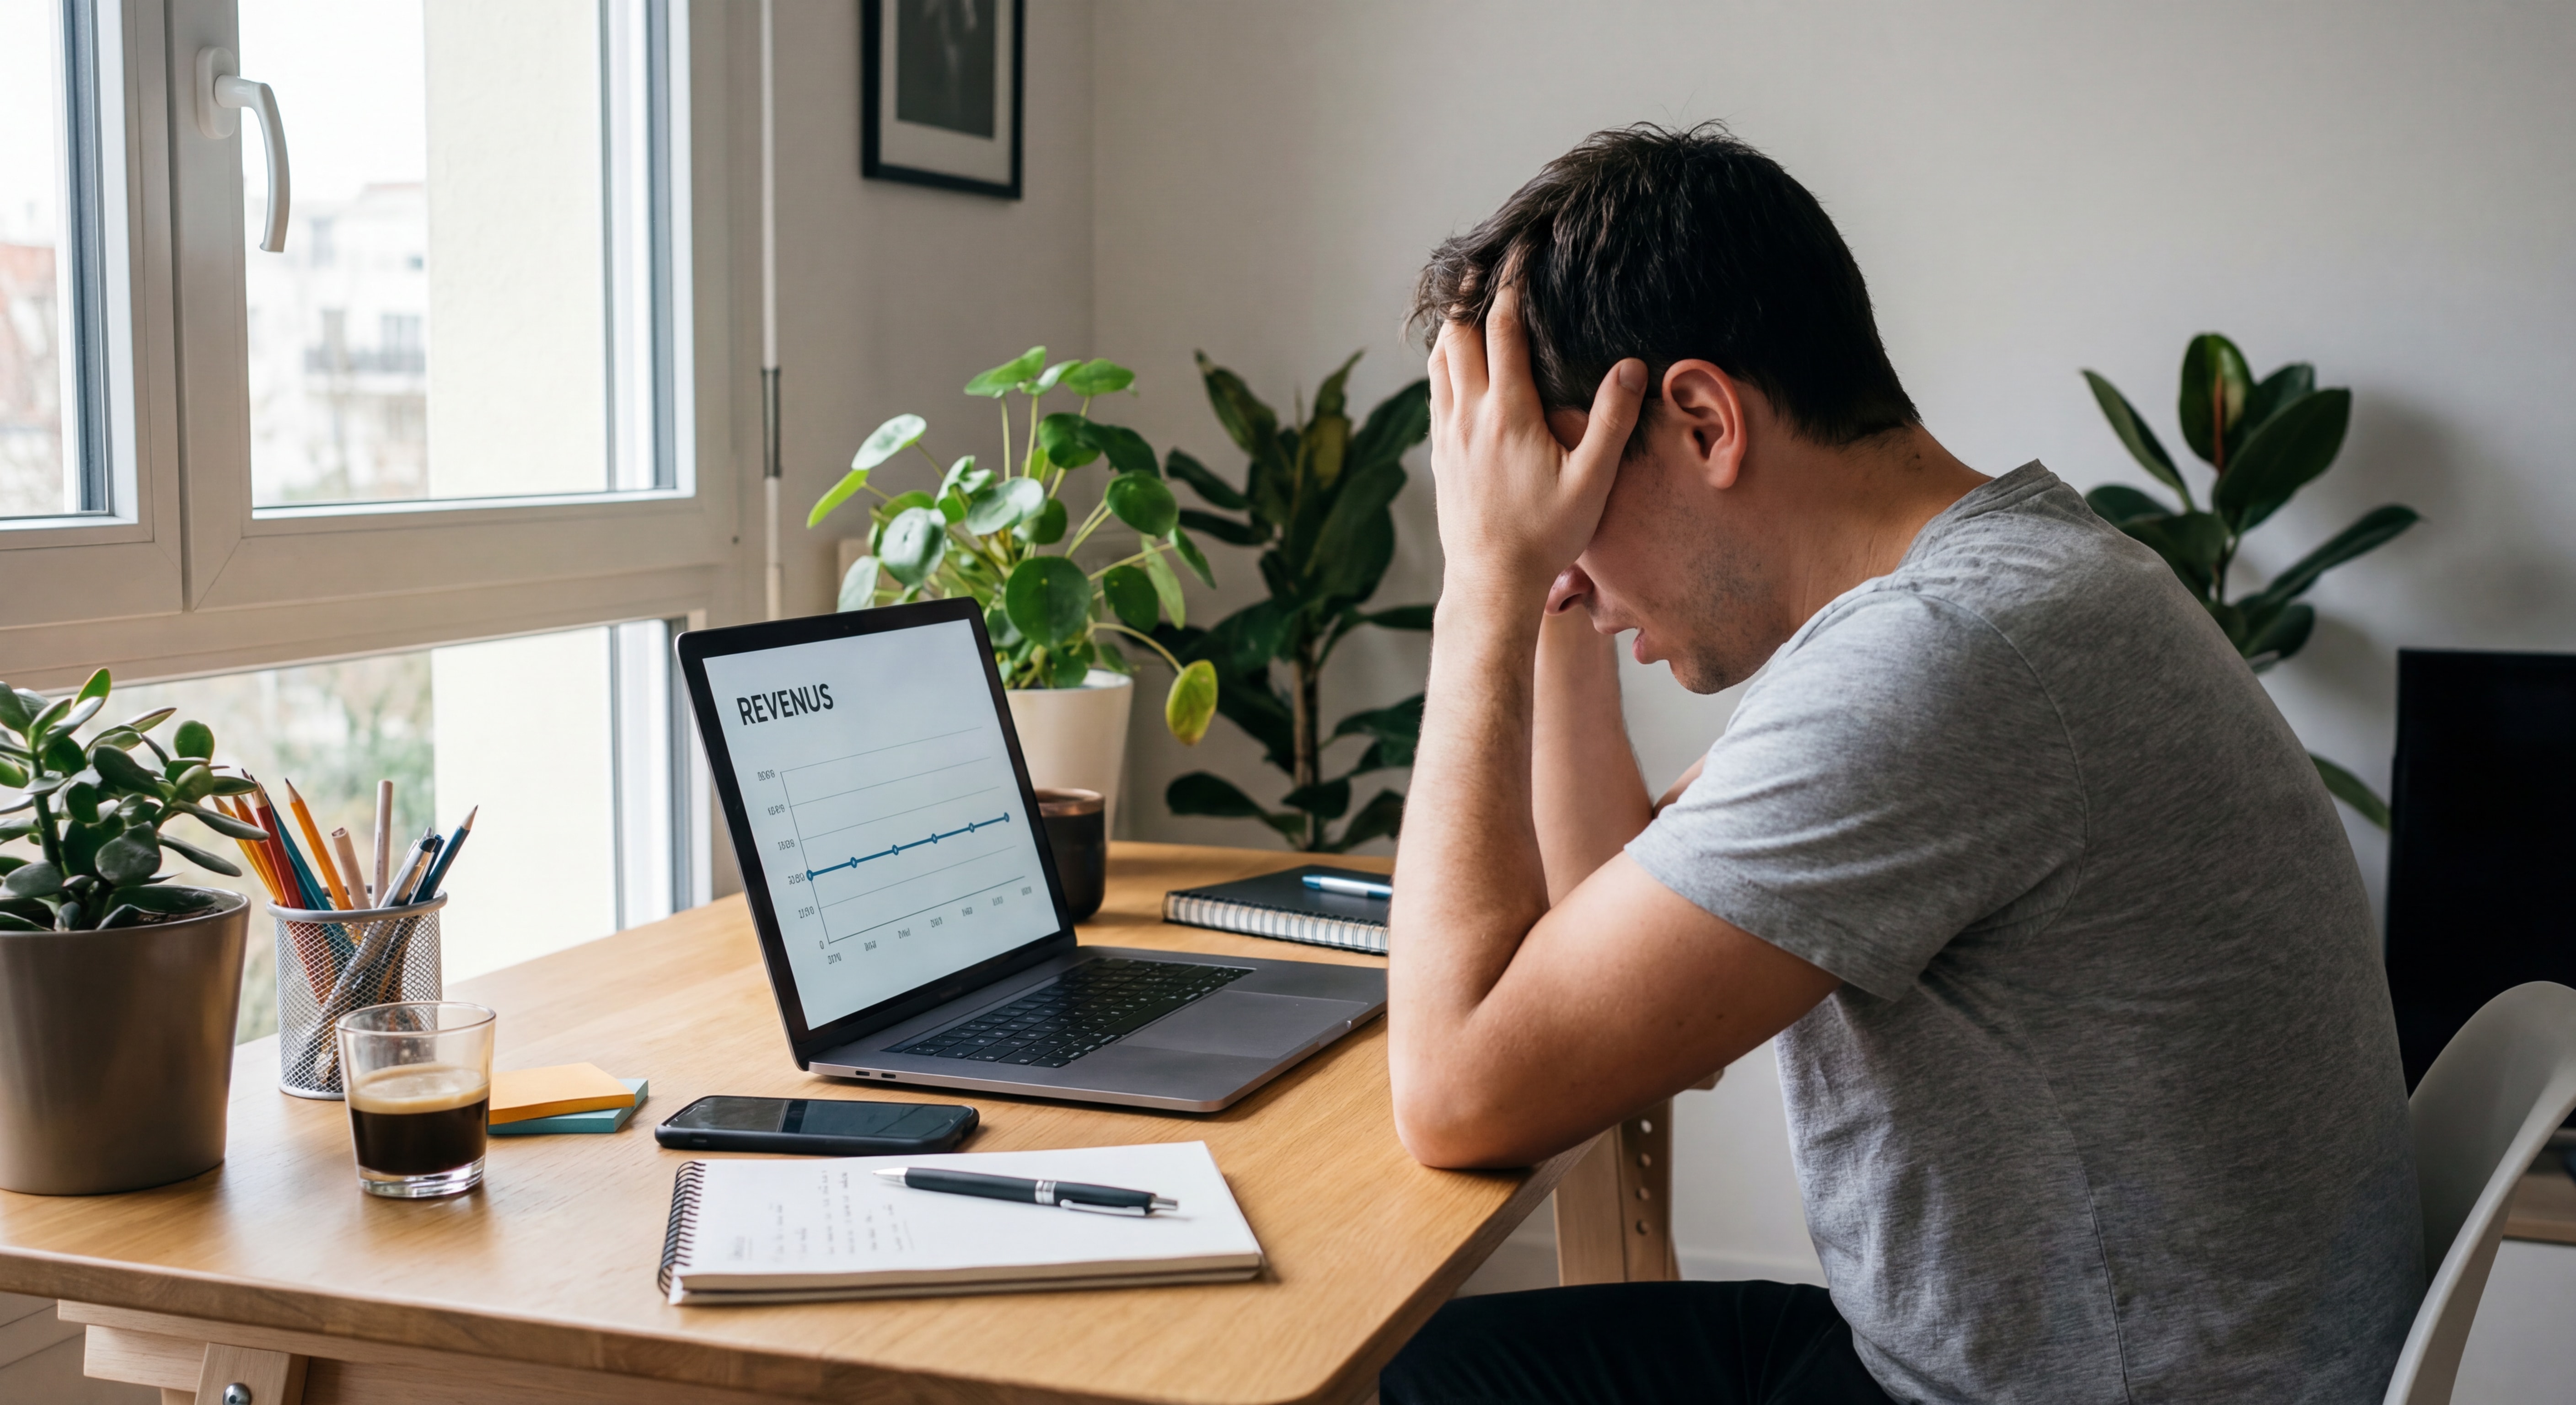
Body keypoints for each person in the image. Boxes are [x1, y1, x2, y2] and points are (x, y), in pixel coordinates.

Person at [1378, 124, 2420, 1405]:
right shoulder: (2005, 587)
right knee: (1426, 1370)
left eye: (1570, 484)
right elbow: (1616, 963)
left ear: (1702, 421)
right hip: (2069, 1367)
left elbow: (1457, 1093)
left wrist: (1483, 586)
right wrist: (1550, 582)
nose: (1560, 563)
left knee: (1389, 1381)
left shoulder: (1944, 661)